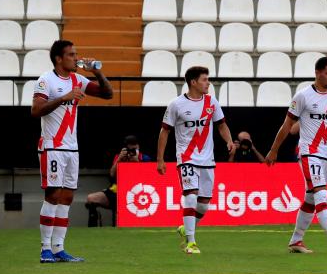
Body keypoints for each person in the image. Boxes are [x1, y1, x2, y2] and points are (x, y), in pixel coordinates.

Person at [266, 57, 327, 254]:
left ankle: (296, 240)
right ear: (318, 73)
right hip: (308, 153)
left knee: (311, 199)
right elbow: (287, 125)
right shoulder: (302, 96)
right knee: (320, 193)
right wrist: (274, 149)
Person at [32, 39, 113, 263]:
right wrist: (63, 98)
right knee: (53, 195)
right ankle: (45, 248)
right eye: (71, 55)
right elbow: (36, 110)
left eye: (76, 54)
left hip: (71, 148)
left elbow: (107, 94)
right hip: (52, 146)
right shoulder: (45, 80)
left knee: (67, 197)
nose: (76, 58)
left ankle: (59, 248)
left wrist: (98, 73)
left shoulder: (78, 79)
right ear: (59, 58)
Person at [157, 66, 235, 255]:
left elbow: (222, 125)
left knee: (203, 204)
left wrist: (229, 141)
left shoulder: (211, 102)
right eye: (204, 79)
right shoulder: (176, 104)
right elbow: (164, 131)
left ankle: (186, 228)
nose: (208, 83)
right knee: (190, 196)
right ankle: (191, 242)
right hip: (186, 158)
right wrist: (160, 159)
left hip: (207, 159)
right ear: (193, 82)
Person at [86, 135, 151, 227]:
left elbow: (149, 178)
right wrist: (119, 160)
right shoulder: (119, 157)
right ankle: (92, 230)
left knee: (120, 218)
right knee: (91, 199)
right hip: (118, 190)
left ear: (138, 146)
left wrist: (137, 162)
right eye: (130, 147)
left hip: (138, 194)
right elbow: (112, 175)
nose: (132, 150)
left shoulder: (144, 158)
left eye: (134, 147)